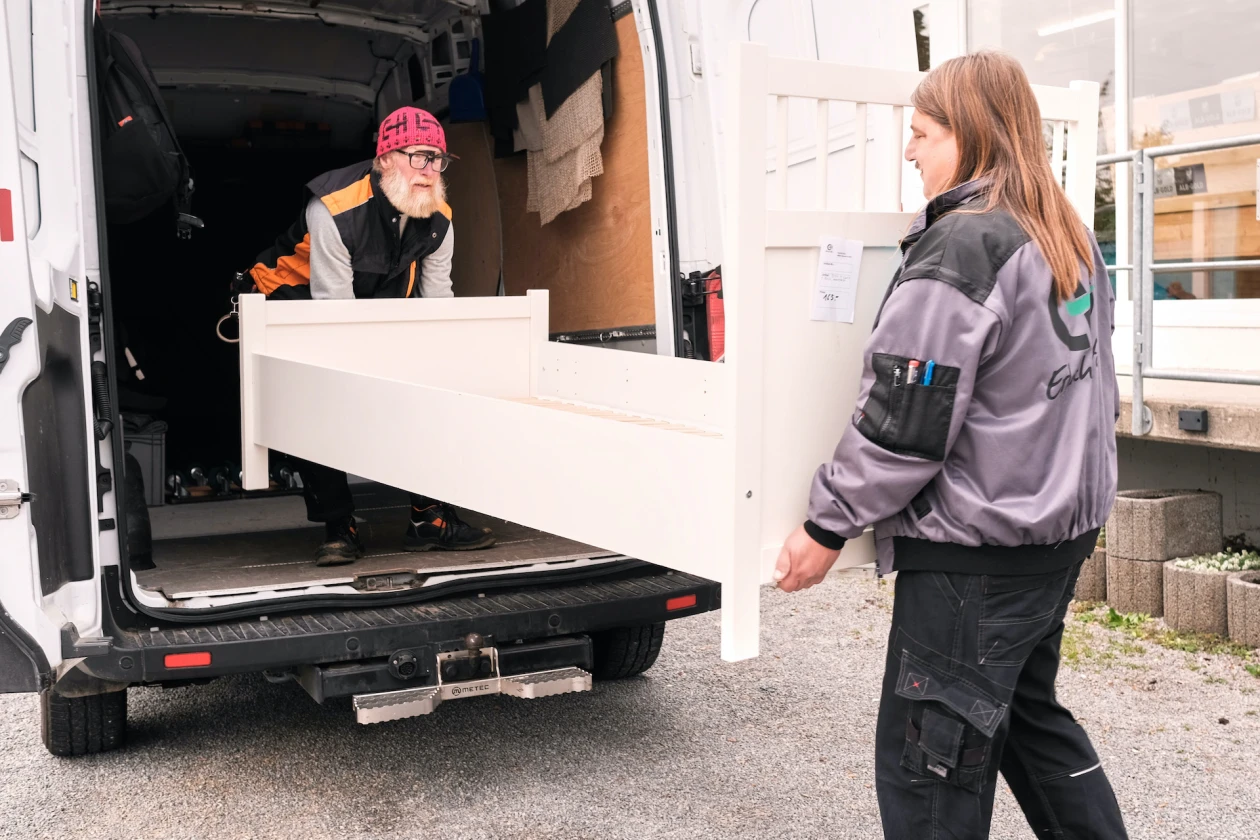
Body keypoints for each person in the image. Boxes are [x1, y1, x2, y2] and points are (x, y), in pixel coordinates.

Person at [773, 53, 1130, 839]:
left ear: (968, 136)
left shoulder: (964, 247)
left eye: (922, 133)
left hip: (978, 555)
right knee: (1030, 727)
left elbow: (906, 419)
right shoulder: (1065, 231)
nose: (910, 151)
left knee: (931, 776)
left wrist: (827, 525)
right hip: (1055, 539)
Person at [246, 106, 496, 566]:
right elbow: (335, 312)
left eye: (438, 159)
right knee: (318, 397)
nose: (430, 171)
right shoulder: (332, 207)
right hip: (296, 299)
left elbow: (437, 301)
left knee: (428, 386)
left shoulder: (439, 217)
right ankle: (338, 525)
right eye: (417, 157)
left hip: (370, 301)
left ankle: (429, 519)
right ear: (385, 159)